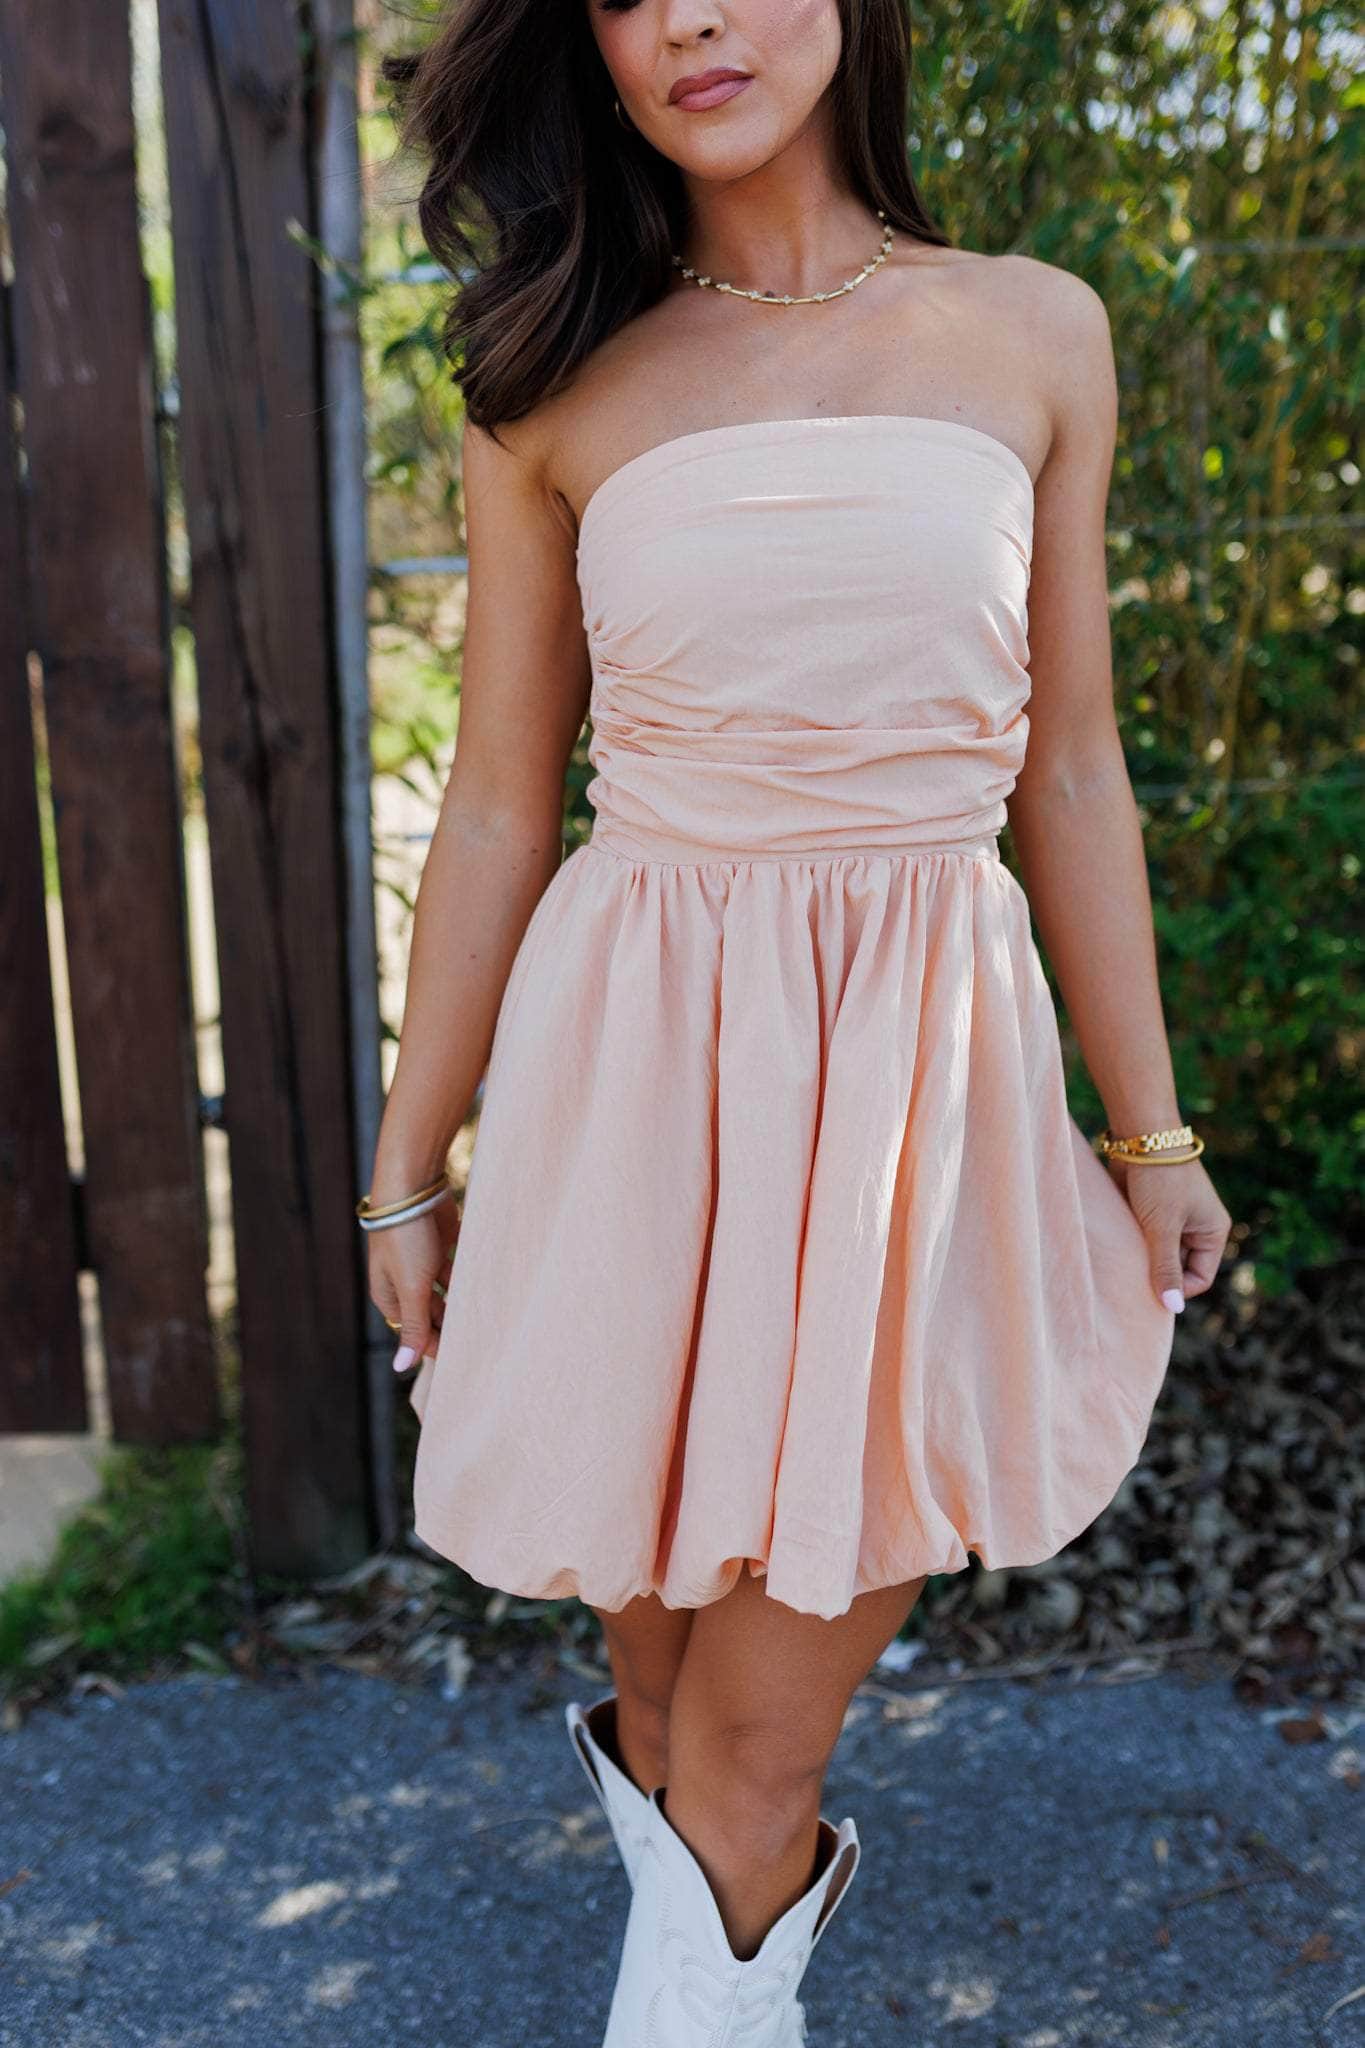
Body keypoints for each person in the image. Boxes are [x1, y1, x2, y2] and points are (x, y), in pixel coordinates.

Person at [363, 1, 1233, 2039]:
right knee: (668, 1694)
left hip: (907, 1104)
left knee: (754, 1746)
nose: (685, 16)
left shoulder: (1032, 331)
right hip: (636, 1088)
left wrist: (1150, 1131)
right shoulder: (549, 378)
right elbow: (495, 804)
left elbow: (1070, 770)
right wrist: (407, 1167)